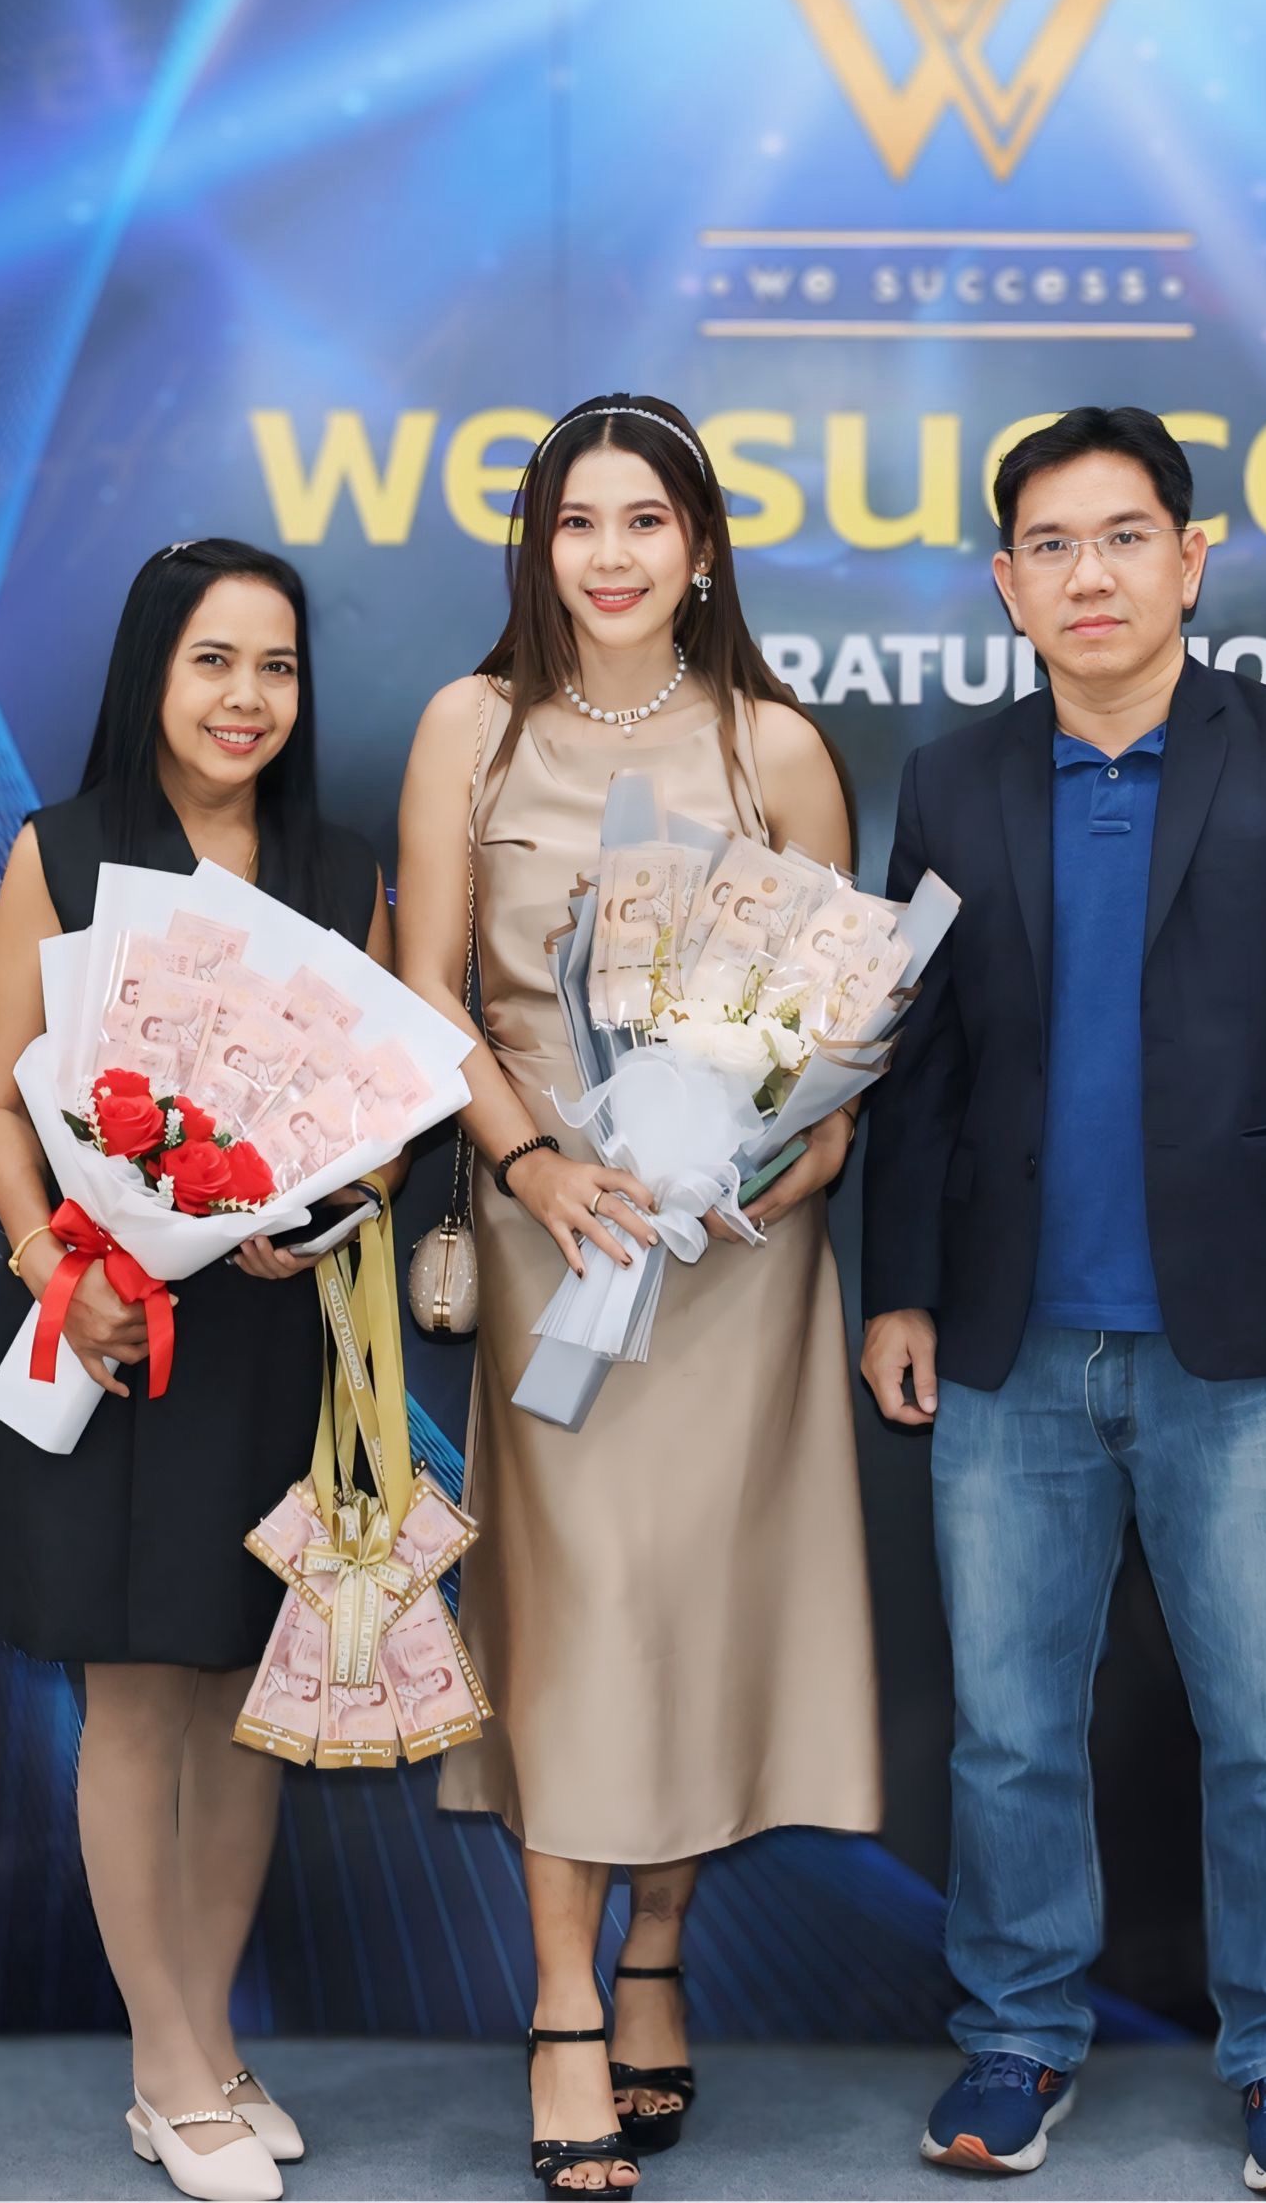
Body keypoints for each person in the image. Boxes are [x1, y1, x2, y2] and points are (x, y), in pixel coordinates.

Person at [859, 407, 1266, 2195]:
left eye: (1123, 537)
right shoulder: (953, 780)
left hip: (1241, 1335)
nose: (1087, 573)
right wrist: (897, 1289)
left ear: (1192, 559)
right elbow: (917, 1070)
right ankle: (1015, 2034)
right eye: (1051, 544)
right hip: (1008, 1339)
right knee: (1009, 1731)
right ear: (1005, 581)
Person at [392, 394, 881, 2199]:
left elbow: (841, 1015)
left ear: (702, 547)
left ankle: (657, 1956)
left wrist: (802, 1154)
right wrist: (533, 1164)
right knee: (588, 1607)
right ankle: (561, 2008)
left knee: (700, 1605)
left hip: (731, 1257)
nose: (610, 555)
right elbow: (427, 988)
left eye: (645, 521)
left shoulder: (778, 748)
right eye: (577, 522)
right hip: (558, 1236)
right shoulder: (473, 726)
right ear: (537, 546)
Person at [0, 538, 396, 2203]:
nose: (246, 698)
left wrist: (305, 1217)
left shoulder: (341, 869)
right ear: (152, 672)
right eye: (214, 661)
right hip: (109, 1328)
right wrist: (61, 1271)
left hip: (266, 1333)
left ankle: (205, 2039)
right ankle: (167, 2069)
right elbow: (0, 1096)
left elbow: (374, 1117)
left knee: (245, 1706)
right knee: (132, 1700)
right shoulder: (62, 851)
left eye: (276, 666)